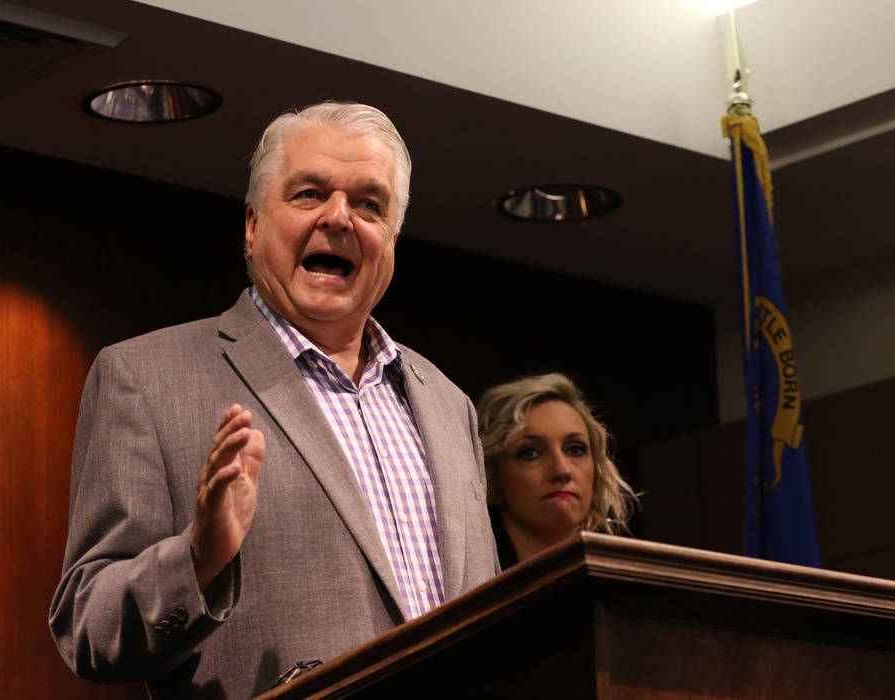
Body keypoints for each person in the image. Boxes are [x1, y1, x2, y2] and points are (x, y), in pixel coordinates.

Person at [49, 102, 498, 699]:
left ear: (391, 240)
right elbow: (88, 626)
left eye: (369, 204)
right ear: (253, 225)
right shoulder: (145, 377)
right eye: (309, 194)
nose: (340, 218)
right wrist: (197, 559)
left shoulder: (449, 404)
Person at [477, 373, 637, 568]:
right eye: (530, 453)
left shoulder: (617, 586)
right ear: (491, 476)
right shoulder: (464, 583)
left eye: (575, 449)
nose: (562, 470)